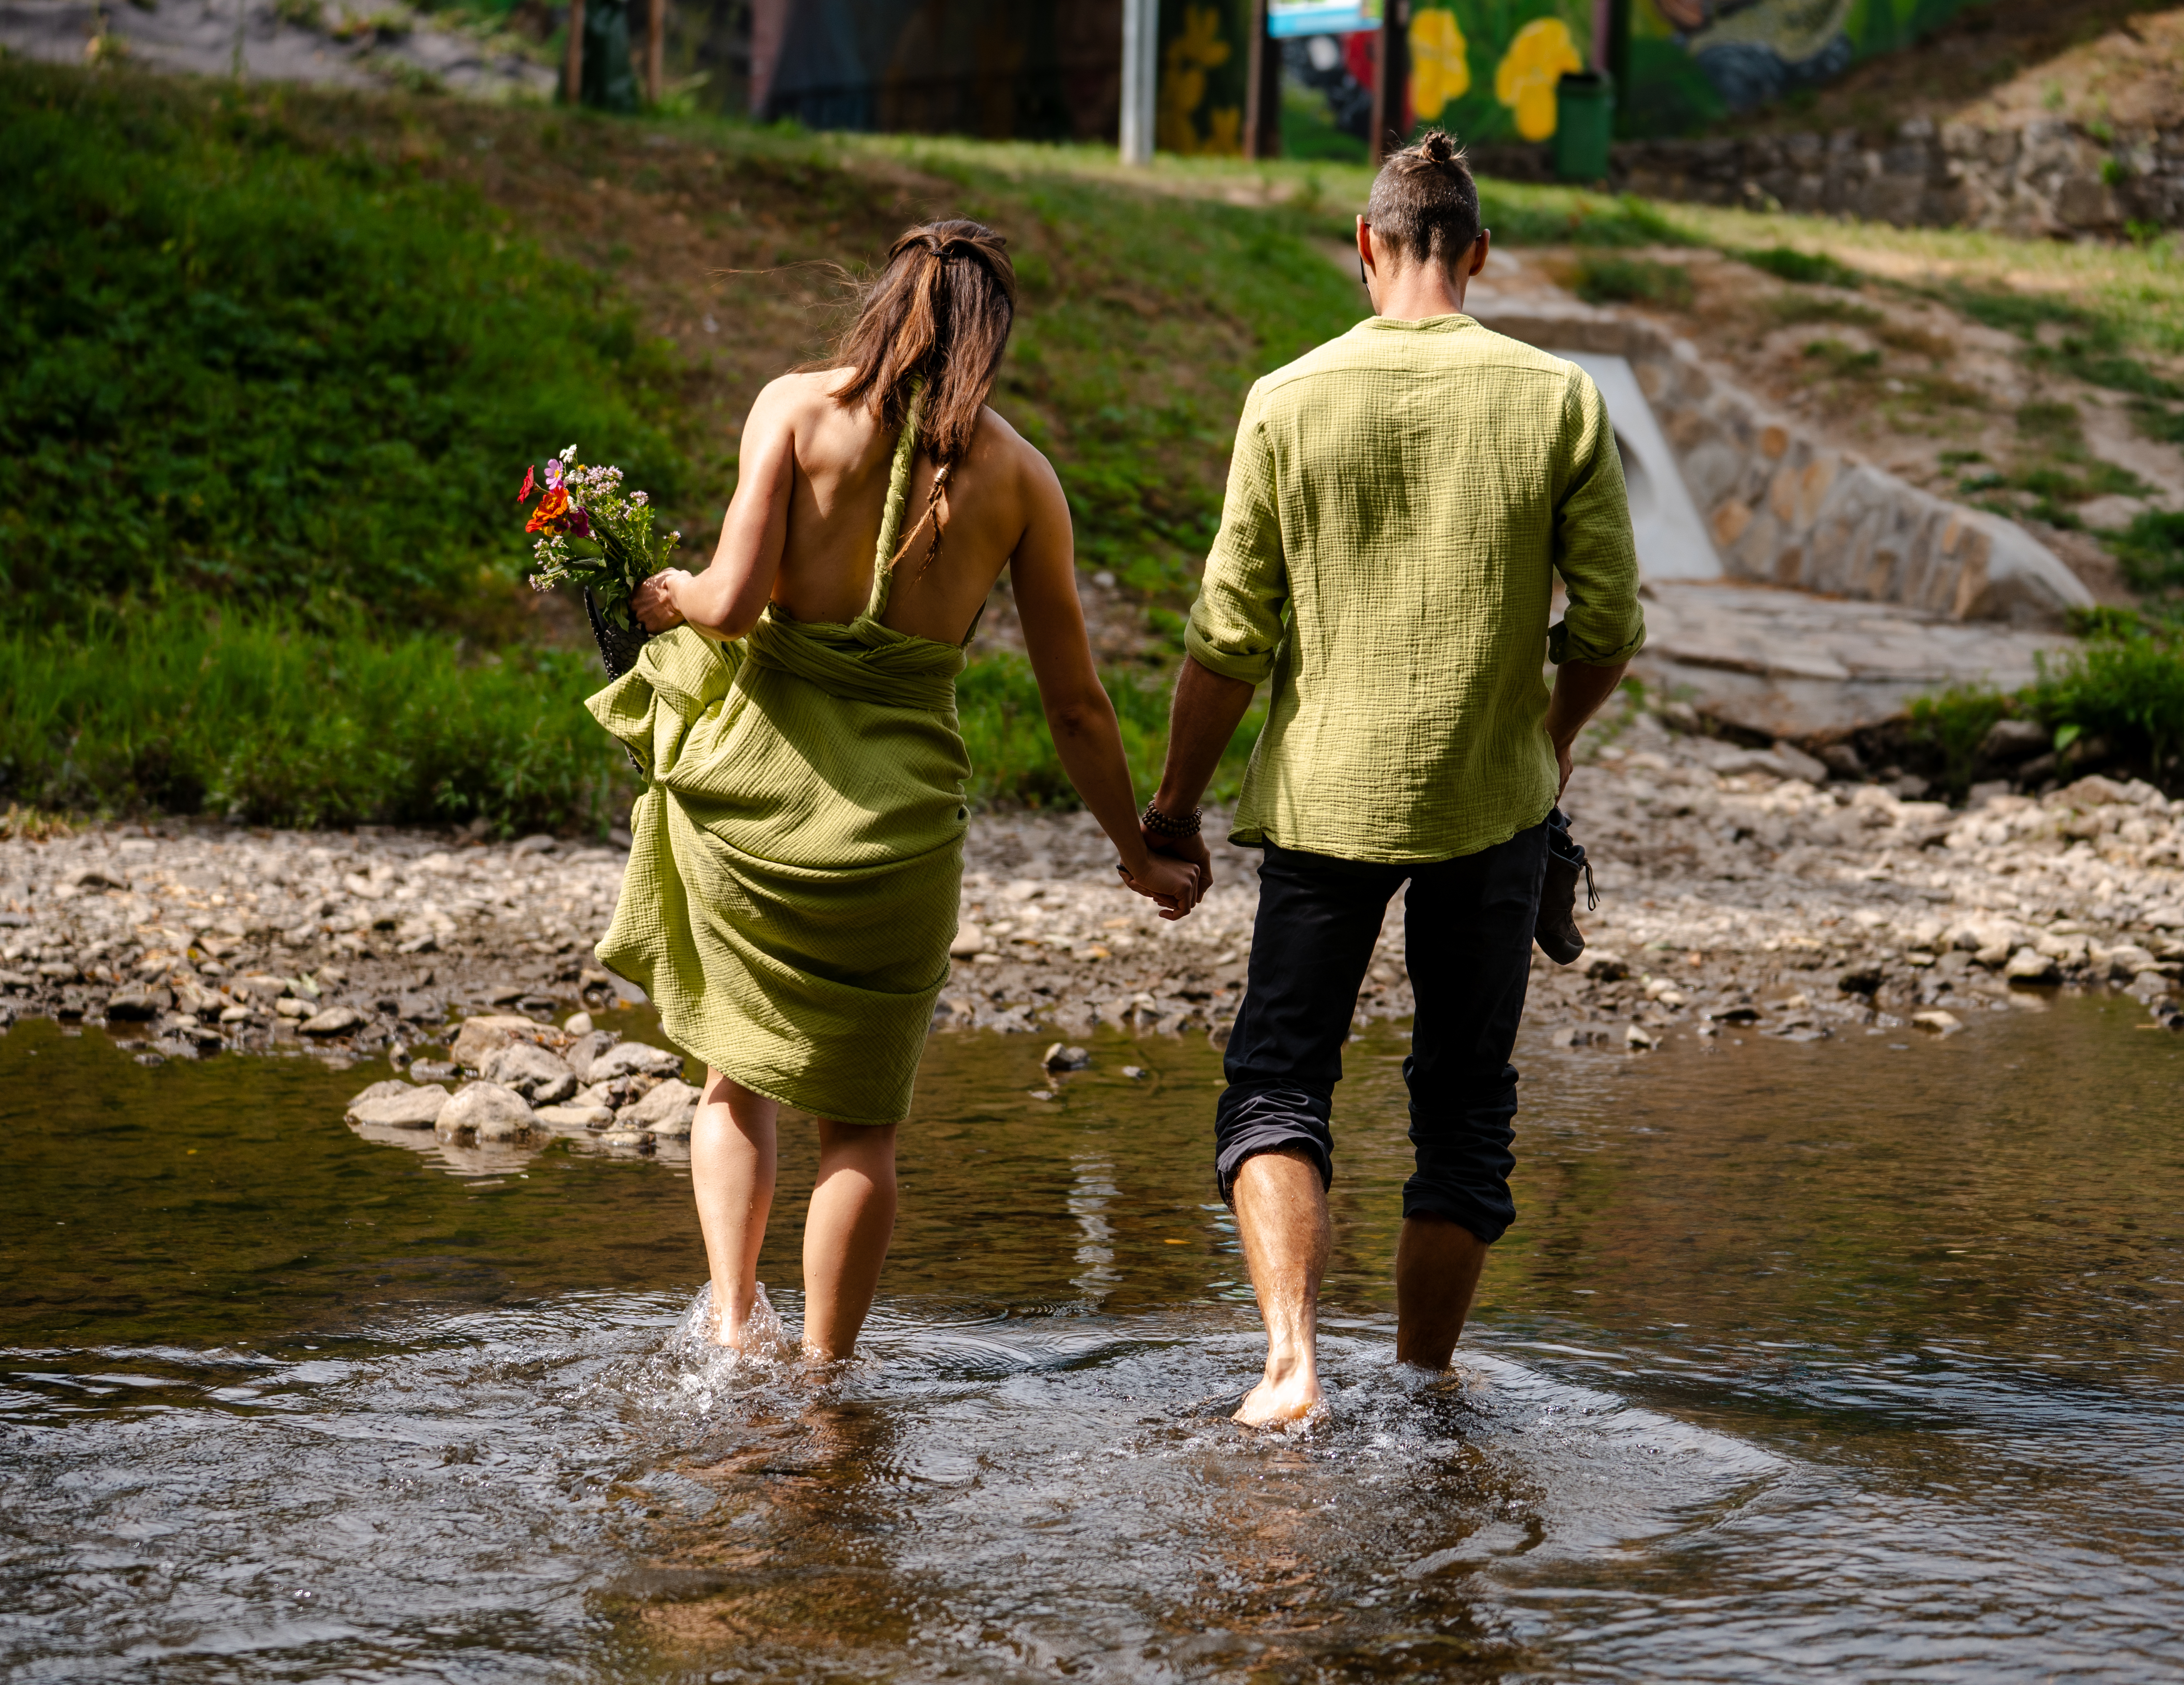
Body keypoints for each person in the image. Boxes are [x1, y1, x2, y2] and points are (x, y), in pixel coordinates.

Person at [592, 221, 1203, 1363]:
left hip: (757, 807)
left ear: (881, 303)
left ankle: (732, 1329)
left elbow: (728, 603)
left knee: (737, 1072)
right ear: (992, 337)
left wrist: (667, 592)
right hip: (900, 838)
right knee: (860, 1132)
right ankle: (827, 1380)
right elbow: (1077, 707)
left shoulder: (793, 408)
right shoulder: (1023, 478)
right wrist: (1138, 849)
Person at [1137, 132, 1644, 1425]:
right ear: (1477, 255)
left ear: (1366, 246)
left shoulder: (1288, 399)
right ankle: (1421, 1385)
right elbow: (1609, 628)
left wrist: (1175, 808)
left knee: (1279, 1079)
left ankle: (1292, 1368)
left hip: (1325, 801)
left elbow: (1227, 640)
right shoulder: (1560, 398)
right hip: (1494, 806)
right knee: (1464, 1104)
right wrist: (1551, 738)